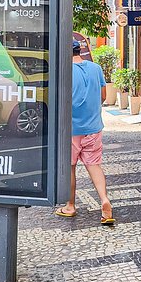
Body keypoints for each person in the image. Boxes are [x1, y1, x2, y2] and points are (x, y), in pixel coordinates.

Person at [55, 40, 114, 225]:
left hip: (71, 129)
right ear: (80, 50)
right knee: (94, 165)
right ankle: (104, 200)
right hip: (94, 126)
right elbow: (103, 96)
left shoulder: (63, 70)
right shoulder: (96, 69)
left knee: (70, 167)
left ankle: (70, 205)